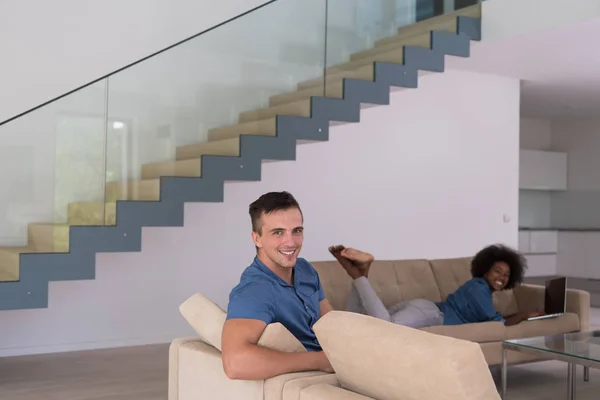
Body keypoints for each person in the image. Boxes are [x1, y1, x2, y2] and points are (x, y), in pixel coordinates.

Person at [221, 191, 334, 381]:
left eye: (297, 231)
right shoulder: (254, 290)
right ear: (257, 238)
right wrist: (320, 361)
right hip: (320, 374)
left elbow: (331, 322)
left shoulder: (305, 268)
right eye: (278, 232)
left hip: (342, 362)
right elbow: (234, 363)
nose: (290, 242)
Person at [328, 244, 545, 328]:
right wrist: (525, 314)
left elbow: (497, 318)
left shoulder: (480, 289)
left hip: (423, 309)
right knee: (388, 327)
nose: (502, 278)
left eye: (507, 275)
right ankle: (357, 273)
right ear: (486, 270)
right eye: (498, 271)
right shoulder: (478, 288)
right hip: (432, 315)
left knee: (356, 323)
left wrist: (523, 313)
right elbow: (499, 323)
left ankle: (360, 273)